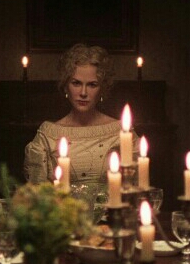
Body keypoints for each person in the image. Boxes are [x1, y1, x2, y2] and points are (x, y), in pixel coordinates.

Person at [24, 43, 139, 187]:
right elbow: (36, 194)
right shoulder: (48, 135)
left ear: (102, 88)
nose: (83, 93)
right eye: (76, 83)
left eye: (92, 85)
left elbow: (137, 189)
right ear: (66, 86)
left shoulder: (122, 132)